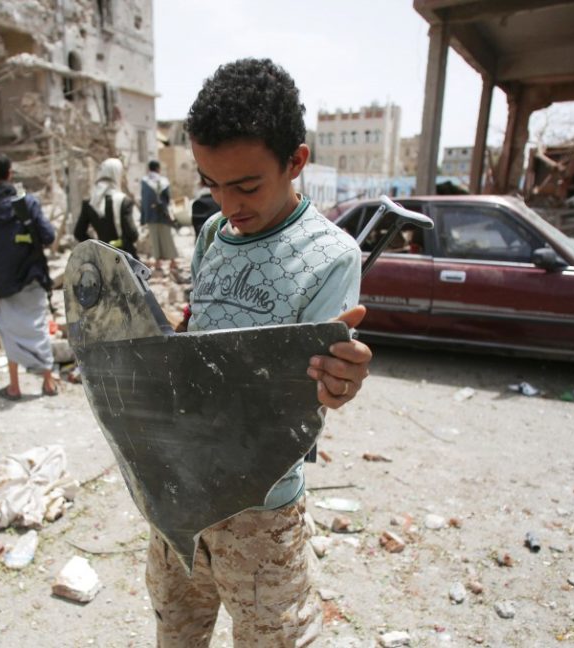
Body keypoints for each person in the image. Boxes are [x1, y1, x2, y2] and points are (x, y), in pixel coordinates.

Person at [146, 58, 372, 646]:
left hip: (261, 504)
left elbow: (314, 388)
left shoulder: (330, 255)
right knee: (176, 625)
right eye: (211, 183)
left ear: (295, 161)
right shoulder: (212, 236)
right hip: (183, 485)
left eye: (246, 186)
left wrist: (337, 382)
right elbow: (201, 330)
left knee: (274, 636)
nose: (228, 203)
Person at [0, 154, 60, 400]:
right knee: (37, 327)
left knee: (9, 332)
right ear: (10, 172)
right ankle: (48, 382)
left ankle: (14, 386)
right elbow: (48, 236)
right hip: (31, 275)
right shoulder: (26, 203)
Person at [74, 157, 139, 258]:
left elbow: (79, 233)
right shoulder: (123, 201)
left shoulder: (90, 202)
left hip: (103, 259)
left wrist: (97, 247)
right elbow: (132, 234)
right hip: (125, 259)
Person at [139, 159, 179, 277]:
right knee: (167, 238)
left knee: (154, 239)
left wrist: (143, 217)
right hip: (163, 214)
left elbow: (143, 200)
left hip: (150, 215)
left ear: (149, 169)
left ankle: (157, 263)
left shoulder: (144, 181)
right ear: (158, 169)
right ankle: (172, 262)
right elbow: (167, 199)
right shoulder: (164, 181)